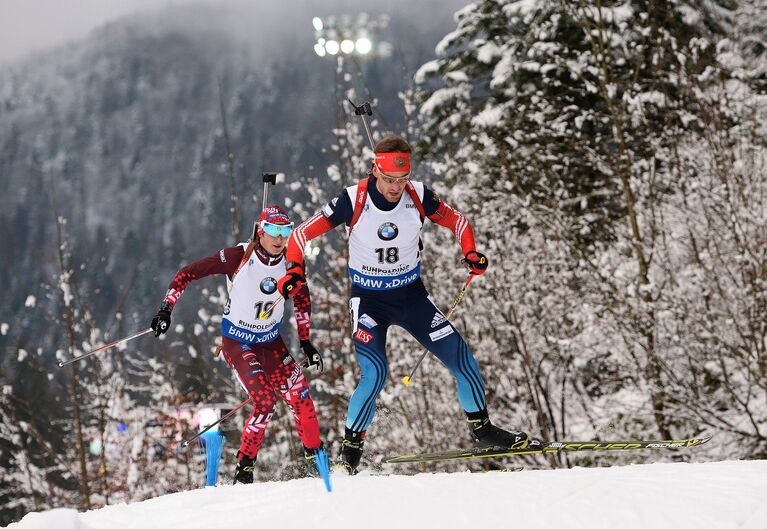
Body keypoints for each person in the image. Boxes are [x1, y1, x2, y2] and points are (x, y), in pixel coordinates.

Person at [277, 135, 532, 474]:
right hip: (368, 301)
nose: (396, 187)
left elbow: (458, 221)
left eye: (402, 179)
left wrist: (470, 251)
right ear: (374, 170)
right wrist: (294, 269)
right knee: (375, 372)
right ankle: (349, 455)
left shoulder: (419, 196)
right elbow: (299, 236)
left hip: (411, 296)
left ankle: (483, 431)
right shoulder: (352, 199)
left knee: (462, 358)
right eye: (388, 179)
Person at [150, 205, 326, 483]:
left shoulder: (293, 262)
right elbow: (188, 272)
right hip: (239, 343)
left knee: (301, 397)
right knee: (266, 403)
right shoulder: (239, 257)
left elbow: (302, 300)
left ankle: (317, 465)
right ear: (260, 230)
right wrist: (166, 308)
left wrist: (306, 342)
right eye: (272, 231)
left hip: (271, 344)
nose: (279, 239)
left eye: (285, 231)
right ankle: (244, 471)